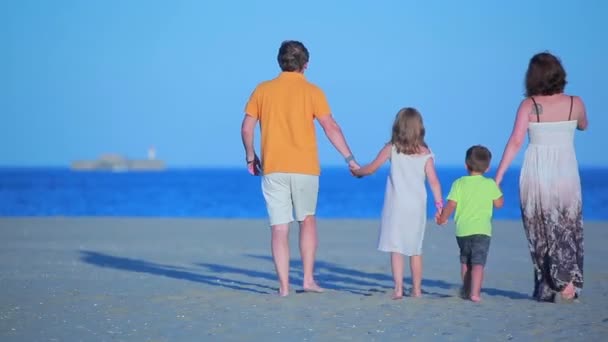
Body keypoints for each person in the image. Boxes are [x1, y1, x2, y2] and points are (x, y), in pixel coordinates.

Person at [240, 40, 359, 297]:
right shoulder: (313, 91)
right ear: (305, 65)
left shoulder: (262, 90)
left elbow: (247, 128)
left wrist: (251, 157)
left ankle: (283, 287)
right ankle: (307, 279)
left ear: (280, 62)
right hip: (305, 168)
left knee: (279, 228)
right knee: (307, 221)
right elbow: (331, 127)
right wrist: (350, 158)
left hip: (273, 168)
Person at [494, 52, 588, 302]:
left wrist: (499, 176)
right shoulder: (575, 103)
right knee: (567, 226)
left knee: (539, 229)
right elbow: (583, 125)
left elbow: (515, 142)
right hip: (566, 172)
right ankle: (566, 281)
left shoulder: (529, 105)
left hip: (536, 173)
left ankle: (550, 284)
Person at [351, 107, 442, 299]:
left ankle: (399, 289)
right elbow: (434, 181)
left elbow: (371, 168)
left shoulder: (391, 148)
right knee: (415, 248)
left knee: (396, 247)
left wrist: (358, 171)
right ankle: (416, 290)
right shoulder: (426, 153)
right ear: (419, 128)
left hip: (396, 205)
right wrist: (439, 205)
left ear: (397, 127)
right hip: (417, 206)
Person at [435, 145, 504, 302]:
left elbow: (451, 205)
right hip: (482, 231)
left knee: (465, 262)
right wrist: (497, 188)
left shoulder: (458, 183)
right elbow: (499, 204)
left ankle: (466, 290)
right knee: (478, 263)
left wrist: (442, 218)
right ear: (487, 168)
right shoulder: (490, 184)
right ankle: (475, 293)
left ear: (466, 165)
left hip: (463, 231)